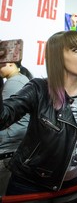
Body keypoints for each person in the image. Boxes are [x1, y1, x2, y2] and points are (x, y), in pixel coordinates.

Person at [0, 31, 77, 202]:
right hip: (31, 184)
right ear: (57, 57)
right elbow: (3, 117)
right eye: (76, 50)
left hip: (74, 185)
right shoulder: (39, 89)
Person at [0, 61, 33, 195]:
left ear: (11, 63)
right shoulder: (20, 79)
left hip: (8, 147)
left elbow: (4, 117)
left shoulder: (14, 82)